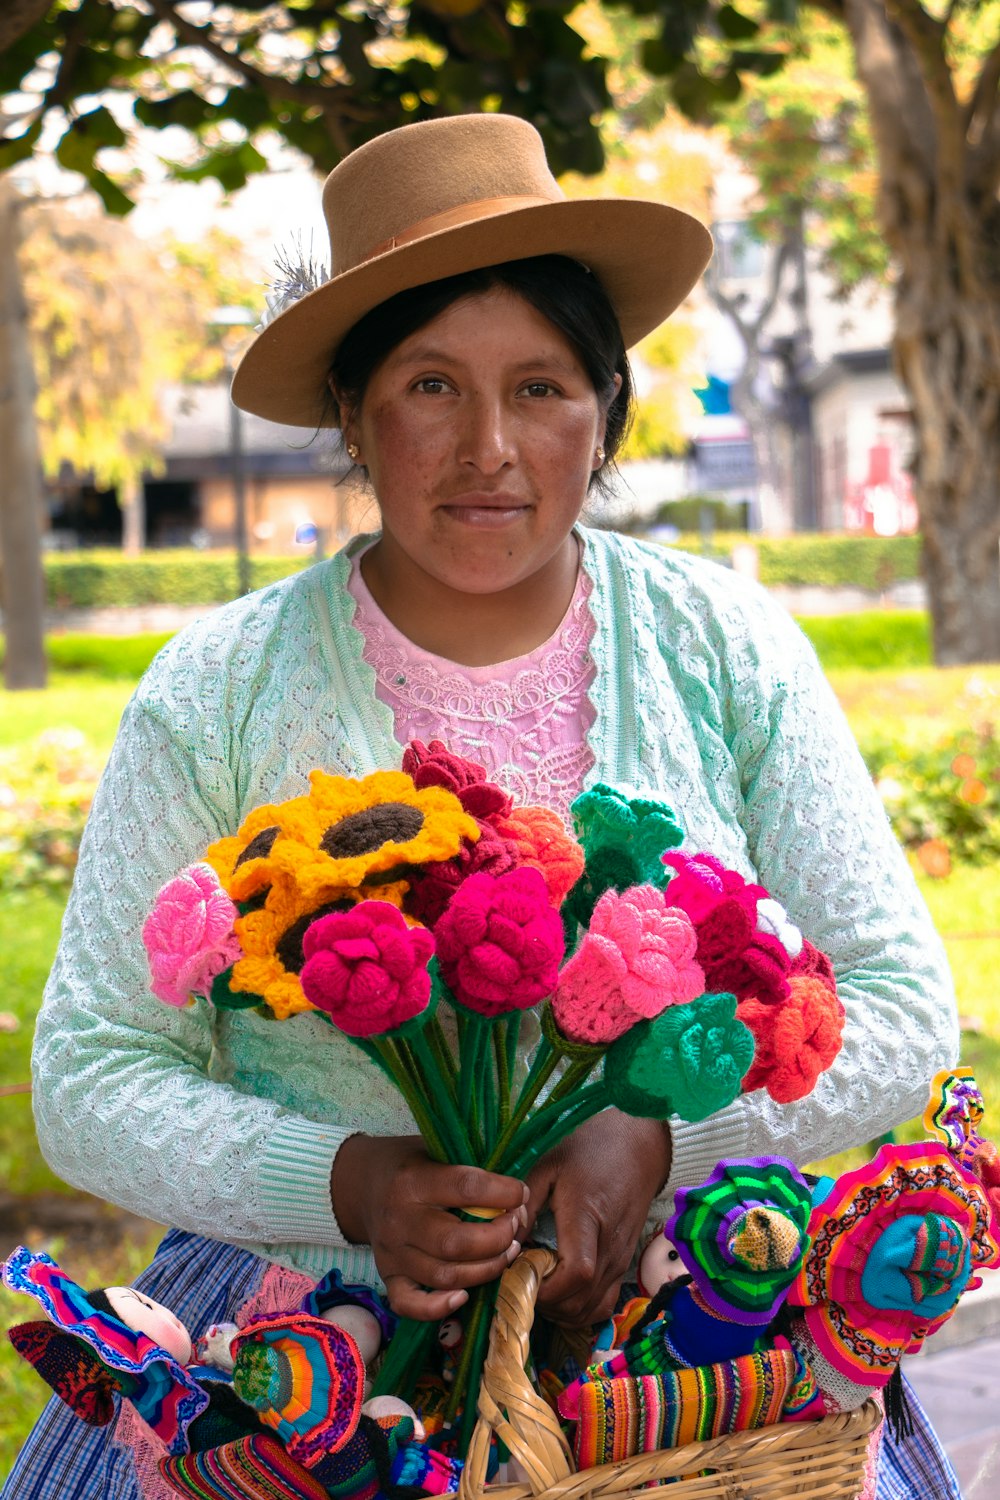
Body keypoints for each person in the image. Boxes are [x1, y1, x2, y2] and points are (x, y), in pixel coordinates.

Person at [5, 113, 959, 1499]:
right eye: (432, 386)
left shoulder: (724, 647)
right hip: (299, 1367)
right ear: (351, 411)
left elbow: (898, 1000)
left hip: (686, 1348)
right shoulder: (215, 691)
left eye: (545, 388)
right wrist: (348, 1184)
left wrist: (665, 1136)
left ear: (609, 406)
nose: (492, 449)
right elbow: (89, 1073)